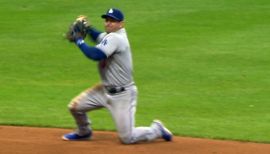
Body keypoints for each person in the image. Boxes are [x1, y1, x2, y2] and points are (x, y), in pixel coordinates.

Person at [62, 8, 173, 144]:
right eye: (107, 20)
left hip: (122, 95)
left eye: (112, 21)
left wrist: (79, 41)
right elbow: (98, 36)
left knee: (127, 138)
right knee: (75, 107)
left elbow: (95, 55)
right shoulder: (111, 35)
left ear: (121, 24)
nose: (108, 23)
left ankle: (156, 129)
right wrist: (88, 27)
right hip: (103, 90)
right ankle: (84, 132)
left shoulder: (117, 38)